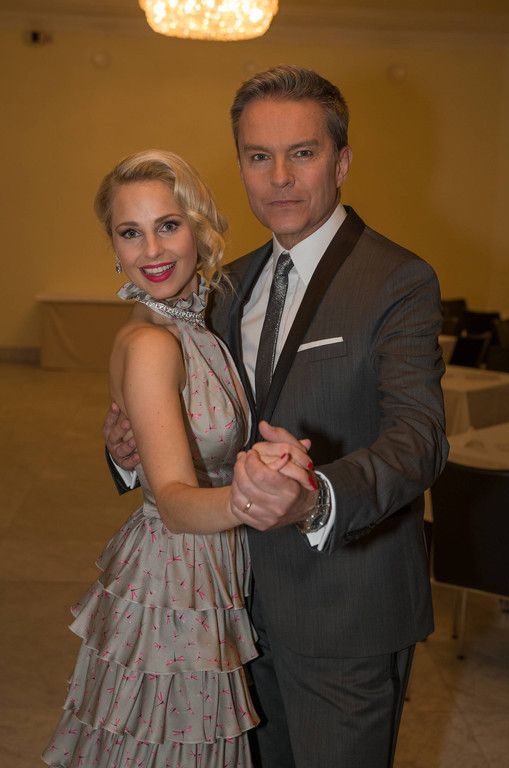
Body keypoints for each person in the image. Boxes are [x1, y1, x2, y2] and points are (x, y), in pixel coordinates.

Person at [106, 66, 449, 768]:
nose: (281, 177)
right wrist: (129, 447)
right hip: (232, 608)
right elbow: (200, 411)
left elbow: (419, 439)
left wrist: (315, 497)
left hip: (344, 612)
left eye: (304, 153)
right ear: (240, 166)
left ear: (341, 161)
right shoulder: (227, 283)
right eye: (260, 156)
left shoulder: (398, 280)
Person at [42, 148, 313, 768]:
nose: (152, 251)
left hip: (203, 571)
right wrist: (257, 493)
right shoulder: (151, 344)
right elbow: (173, 501)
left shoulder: (191, 328)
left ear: (198, 226)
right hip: (176, 581)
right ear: (113, 248)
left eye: (167, 224)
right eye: (130, 232)